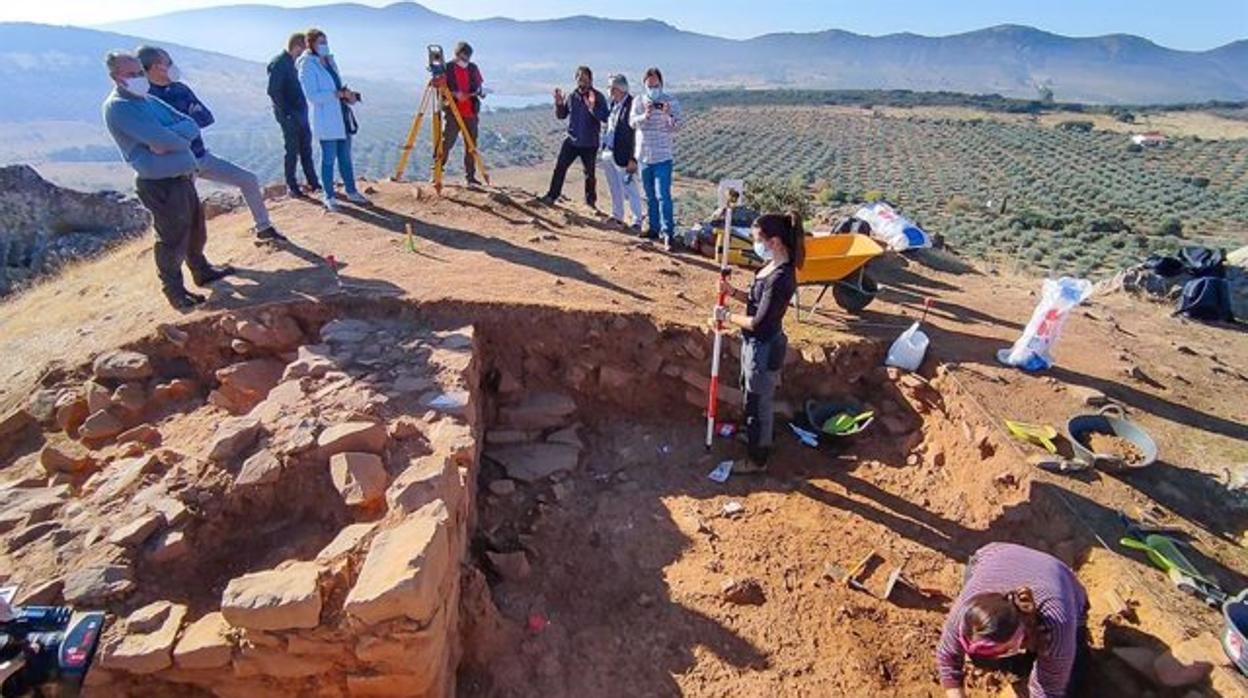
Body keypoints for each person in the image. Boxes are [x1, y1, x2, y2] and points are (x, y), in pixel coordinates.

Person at [101, 51, 234, 310]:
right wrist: (169, 138)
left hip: (181, 175)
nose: (139, 77)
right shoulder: (119, 107)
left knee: (195, 228)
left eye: (140, 72)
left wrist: (170, 138)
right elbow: (163, 140)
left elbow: (189, 124)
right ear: (116, 77)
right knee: (172, 238)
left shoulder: (148, 100)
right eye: (132, 74)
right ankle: (174, 291)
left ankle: (201, 270)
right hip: (159, 182)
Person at [137, 45, 285, 243]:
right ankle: (176, 254)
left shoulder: (180, 89)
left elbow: (205, 118)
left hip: (200, 156)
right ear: (156, 67)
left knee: (248, 179)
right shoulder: (145, 99)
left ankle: (264, 228)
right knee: (181, 213)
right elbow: (161, 135)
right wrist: (185, 122)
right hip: (176, 166)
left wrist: (179, 126)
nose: (173, 66)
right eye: (168, 62)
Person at [936, 542, 1090, 698]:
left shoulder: (1057, 623)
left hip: (1062, 582)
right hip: (993, 556)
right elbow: (948, 657)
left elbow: (1048, 691)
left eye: (1003, 650)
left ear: (1020, 637)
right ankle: (1017, 664)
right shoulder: (967, 612)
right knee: (991, 661)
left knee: (1072, 681)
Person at [715, 213, 804, 473]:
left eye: (758, 240)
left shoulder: (781, 278)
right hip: (754, 345)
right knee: (749, 392)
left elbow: (759, 321)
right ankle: (755, 435)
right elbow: (756, 301)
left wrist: (727, 316)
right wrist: (732, 293)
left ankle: (757, 459)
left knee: (758, 402)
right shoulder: (768, 269)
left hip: (764, 347)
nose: (756, 245)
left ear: (774, 241)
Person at [297, 28, 370, 212]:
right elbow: (312, 96)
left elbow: (337, 85)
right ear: (311, 44)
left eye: (325, 41)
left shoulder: (330, 60)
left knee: (345, 157)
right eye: (320, 42)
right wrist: (336, 94)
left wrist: (347, 95)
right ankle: (329, 196)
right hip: (326, 119)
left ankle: (352, 191)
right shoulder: (307, 65)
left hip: (341, 115)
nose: (324, 45)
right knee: (328, 158)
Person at [540, 66, 609, 208]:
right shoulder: (573, 96)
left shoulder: (598, 97)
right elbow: (562, 115)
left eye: (585, 78)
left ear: (590, 80)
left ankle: (590, 203)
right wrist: (559, 103)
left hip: (589, 143)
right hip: (571, 140)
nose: (582, 81)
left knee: (589, 174)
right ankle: (552, 195)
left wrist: (592, 107)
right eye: (579, 78)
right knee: (560, 168)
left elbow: (605, 117)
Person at [629, 67, 681, 250]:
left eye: (656, 85)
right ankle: (653, 228)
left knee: (663, 196)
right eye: (649, 85)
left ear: (661, 84)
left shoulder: (671, 101)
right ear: (644, 85)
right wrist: (646, 114)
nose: (653, 88)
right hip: (644, 155)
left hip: (662, 156)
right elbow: (632, 122)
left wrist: (667, 114)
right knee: (649, 195)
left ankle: (668, 233)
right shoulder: (638, 101)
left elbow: (677, 127)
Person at [268, 32, 321, 198]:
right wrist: (287, 113)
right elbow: (273, 91)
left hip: (301, 112)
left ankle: (313, 183)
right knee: (292, 150)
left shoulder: (296, 64)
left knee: (306, 148)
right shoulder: (279, 63)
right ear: (297, 47)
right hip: (288, 115)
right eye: (304, 48)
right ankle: (292, 186)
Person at [439, 41, 485, 187]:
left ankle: (470, 177)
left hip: (470, 112)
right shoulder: (447, 68)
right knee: (447, 142)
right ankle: (437, 172)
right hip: (453, 112)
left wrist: (479, 92)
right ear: (457, 55)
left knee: (471, 146)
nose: (466, 61)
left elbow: (479, 86)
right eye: (464, 57)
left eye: (468, 58)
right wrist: (455, 94)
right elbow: (440, 89)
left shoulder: (473, 68)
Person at [599, 73, 642, 230]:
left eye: (612, 87)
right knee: (614, 186)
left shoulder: (632, 105)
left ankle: (637, 221)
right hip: (609, 152)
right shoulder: (613, 104)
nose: (609, 90)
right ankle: (617, 216)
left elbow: (635, 134)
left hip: (624, 155)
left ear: (620, 88)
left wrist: (633, 158)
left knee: (630, 188)